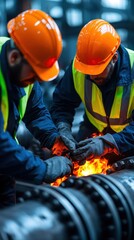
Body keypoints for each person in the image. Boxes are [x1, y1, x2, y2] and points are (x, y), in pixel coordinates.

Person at [0, 9, 73, 191]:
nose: (36, 80)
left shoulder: (23, 69)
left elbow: (35, 111)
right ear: (14, 57)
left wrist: (54, 139)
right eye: (34, 74)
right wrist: (43, 168)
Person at [50, 18, 134, 164]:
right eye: (87, 70)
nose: (92, 76)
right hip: (92, 132)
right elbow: (62, 104)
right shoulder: (79, 68)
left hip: (129, 139)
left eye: (98, 70)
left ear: (114, 58)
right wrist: (63, 128)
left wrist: (109, 143)